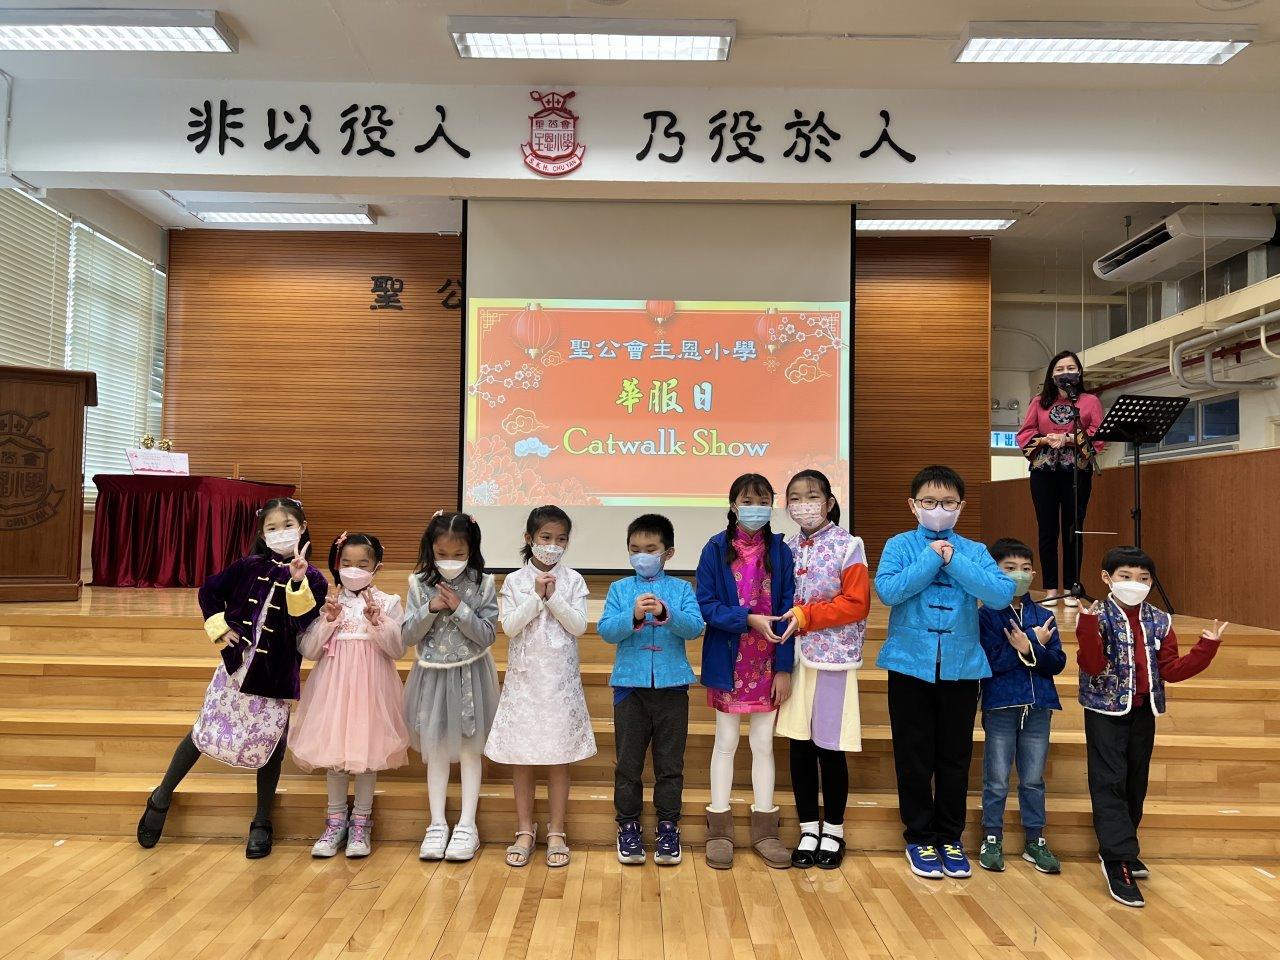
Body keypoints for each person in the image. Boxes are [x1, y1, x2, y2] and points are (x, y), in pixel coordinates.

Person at [136, 496, 328, 858]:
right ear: (262, 534)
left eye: (288, 525)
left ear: (302, 528)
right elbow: (209, 591)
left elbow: (304, 623)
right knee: (202, 731)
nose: (281, 532)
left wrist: (298, 581)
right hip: (234, 669)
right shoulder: (247, 566)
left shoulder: (314, 579)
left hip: (275, 677)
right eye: (272, 528)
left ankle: (261, 821)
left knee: (271, 746)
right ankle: (161, 796)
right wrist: (220, 627)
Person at [874, 465, 1015, 880]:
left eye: (948, 502)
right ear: (913, 505)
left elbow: (1000, 594)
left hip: (962, 668)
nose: (939, 509)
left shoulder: (974, 549)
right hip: (908, 665)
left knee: (955, 756)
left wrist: (953, 560)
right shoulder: (899, 544)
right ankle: (919, 837)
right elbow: (889, 591)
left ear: (961, 507)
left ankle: (950, 836)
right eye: (930, 501)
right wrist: (929, 558)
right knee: (913, 755)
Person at [1077, 546, 1226, 909]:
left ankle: (1125, 846)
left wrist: (1206, 647)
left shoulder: (1160, 620)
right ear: (1107, 578)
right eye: (1126, 576)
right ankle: (1117, 860)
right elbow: (1092, 665)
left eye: (1144, 578)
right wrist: (1086, 628)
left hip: (1144, 711)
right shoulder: (1096, 616)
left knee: (1135, 782)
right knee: (1109, 781)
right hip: (1105, 711)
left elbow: (1171, 670)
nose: (1136, 583)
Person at [486, 505, 596, 869]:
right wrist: (536, 597)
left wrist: (553, 597)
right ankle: (524, 829)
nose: (553, 546)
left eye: (561, 539)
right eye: (546, 538)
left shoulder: (574, 580)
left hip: (560, 682)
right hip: (524, 681)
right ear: (529, 538)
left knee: (558, 757)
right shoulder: (514, 581)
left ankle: (557, 831)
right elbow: (509, 627)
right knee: (523, 757)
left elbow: (578, 626)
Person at [696, 473, 796, 870]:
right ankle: (719, 830)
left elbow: (789, 610)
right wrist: (747, 619)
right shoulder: (714, 548)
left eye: (763, 500)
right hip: (729, 661)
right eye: (747, 501)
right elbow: (706, 606)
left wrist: (784, 668)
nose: (755, 508)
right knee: (725, 742)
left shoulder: (781, 551)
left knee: (763, 744)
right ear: (733, 505)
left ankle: (765, 830)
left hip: (768, 662)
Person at [290, 531, 410, 859]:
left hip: (371, 691)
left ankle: (361, 823)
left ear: (377, 567)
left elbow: (397, 649)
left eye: (362, 564)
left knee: (367, 758)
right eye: (346, 562)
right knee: (335, 759)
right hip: (333, 689)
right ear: (337, 564)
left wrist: (378, 622)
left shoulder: (388, 602)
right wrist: (329, 621)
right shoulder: (329, 601)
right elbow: (310, 650)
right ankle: (335, 822)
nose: (353, 569)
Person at [774, 469, 869, 870]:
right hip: (792, 659)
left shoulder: (849, 545)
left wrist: (806, 615)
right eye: (795, 498)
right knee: (799, 745)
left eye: (812, 496)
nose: (803, 505)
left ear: (829, 502)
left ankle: (834, 829)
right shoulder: (785, 548)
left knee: (829, 747)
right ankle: (808, 828)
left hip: (833, 659)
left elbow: (857, 603)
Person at [597, 514, 705, 866]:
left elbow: (695, 628)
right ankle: (627, 826)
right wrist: (632, 615)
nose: (641, 555)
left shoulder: (681, 589)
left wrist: (664, 612)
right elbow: (606, 631)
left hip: (673, 688)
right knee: (628, 764)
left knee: (670, 764)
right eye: (635, 549)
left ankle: (668, 826)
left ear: (667, 553)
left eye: (650, 549)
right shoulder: (619, 589)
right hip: (630, 688)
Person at [402, 511, 499, 863]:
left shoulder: (483, 583)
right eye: (442, 554)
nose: (450, 561)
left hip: (472, 676)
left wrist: (460, 609)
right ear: (430, 549)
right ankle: (437, 823)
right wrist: (430, 608)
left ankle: (468, 825)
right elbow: (407, 635)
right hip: (432, 677)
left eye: (459, 554)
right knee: (437, 749)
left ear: (471, 550)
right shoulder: (418, 584)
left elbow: (487, 634)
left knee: (471, 749)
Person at [976, 538, 1066, 875]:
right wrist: (1027, 645)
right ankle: (992, 837)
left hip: (1040, 706)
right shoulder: (987, 616)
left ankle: (1035, 840)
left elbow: (1057, 662)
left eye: (1026, 569)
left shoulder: (1044, 615)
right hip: (1001, 704)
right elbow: (990, 662)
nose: (1019, 574)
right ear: (994, 572)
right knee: (997, 778)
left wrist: (1028, 647)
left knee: (1032, 779)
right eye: (1010, 568)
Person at [1015, 350, 1105, 607]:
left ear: (1079, 372)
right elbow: (1025, 433)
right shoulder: (1039, 401)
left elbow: (1097, 432)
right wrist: (1046, 439)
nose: (1066, 373)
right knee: (1047, 530)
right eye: (1060, 369)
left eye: (1071, 368)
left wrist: (1067, 439)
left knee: (1073, 528)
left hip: (1077, 471)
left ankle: (1072, 586)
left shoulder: (1090, 401)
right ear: (1051, 375)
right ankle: (1051, 589)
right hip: (1044, 471)